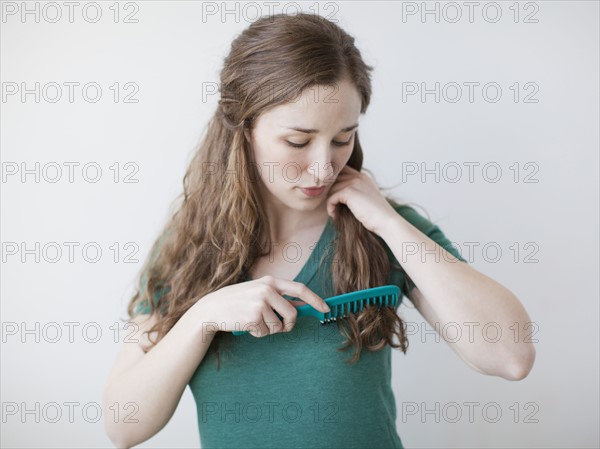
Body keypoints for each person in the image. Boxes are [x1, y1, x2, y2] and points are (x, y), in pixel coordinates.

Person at [103, 12, 535, 449]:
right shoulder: (191, 246)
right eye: (297, 141)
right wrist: (202, 318)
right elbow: (124, 425)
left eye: (344, 138)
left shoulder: (383, 231)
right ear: (244, 128)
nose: (323, 167)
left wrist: (388, 222)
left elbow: (511, 356)